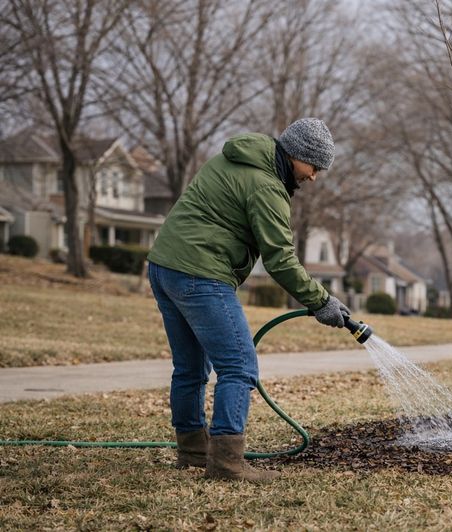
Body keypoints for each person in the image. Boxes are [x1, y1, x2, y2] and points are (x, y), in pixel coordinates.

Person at [146, 118, 350, 483]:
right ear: (298, 155)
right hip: (200, 273)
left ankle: (193, 452)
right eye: (314, 167)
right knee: (239, 367)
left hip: (164, 267)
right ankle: (227, 464)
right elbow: (280, 260)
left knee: (190, 369)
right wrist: (322, 301)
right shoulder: (266, 186)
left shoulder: (233, 158)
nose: (314, 177)